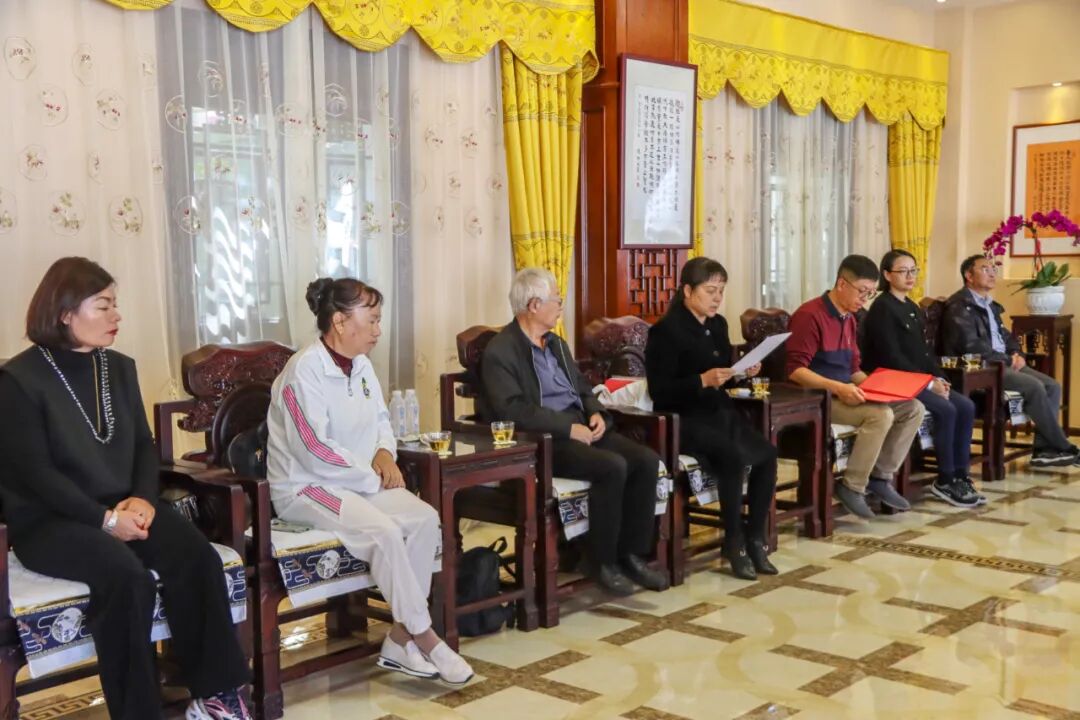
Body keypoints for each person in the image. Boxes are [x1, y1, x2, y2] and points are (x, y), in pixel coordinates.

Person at [0, 257, 251, 720]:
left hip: (123, 505)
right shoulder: (19, 380)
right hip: (51, 521)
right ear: (65, 312)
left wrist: (141, 498)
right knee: (126, 577)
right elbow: (37, 475)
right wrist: (105, 520)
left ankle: (216, 696)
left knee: (196, 556)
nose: (116, 316)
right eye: (103, 306)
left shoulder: (117, 367)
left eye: (114, 304)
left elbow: (141, 444)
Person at [266, 278, 473, 685]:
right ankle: (426, 637)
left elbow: (382, 421)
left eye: (379, 320)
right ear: (340, 321)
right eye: (372, 319)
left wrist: (384, 453)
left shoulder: (361, 365)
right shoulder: (303, 372)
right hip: (306, 488)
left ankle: (399, 639)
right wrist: (372, 473)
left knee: (424, 519)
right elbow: (313, 450)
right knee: (383, 531)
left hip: (358, 481)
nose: (379, 329)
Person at [479, 268, 669, 597]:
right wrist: (568, 428)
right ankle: (600, 560)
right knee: (612, 466)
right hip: (544, 439)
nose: (561, 306)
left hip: (580, 426)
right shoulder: (502, 351)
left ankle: (630, 555)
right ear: (534, 305)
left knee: (646, 460)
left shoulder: (556, 344)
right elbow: (513, 410)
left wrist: (595, 412)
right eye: (557, 300)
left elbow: (582, 388)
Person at [645, 258, 778, 580]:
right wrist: (701, 381)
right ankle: (733, 542)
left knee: (767, 454)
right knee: (732, 457)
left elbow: (724, 377)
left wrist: (741, 372)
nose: (717, 298)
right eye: (710, 290)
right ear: (688, 291)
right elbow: (660, 391)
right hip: (685, 418)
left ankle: (756, 537)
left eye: (721, 290)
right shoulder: (665, 331)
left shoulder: (718, 325)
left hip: (719, 412)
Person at [786, 254, 924, 520]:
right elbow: (796, 371)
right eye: (862, 291)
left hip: (846, 391)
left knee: (912, 407)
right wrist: (839, 389)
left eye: (870, 293)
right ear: (841, 284)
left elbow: (854, 370)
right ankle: (852, 486)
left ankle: (880, 477)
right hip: (817, 398)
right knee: (880, 415)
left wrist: (883, 388)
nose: (865, 299)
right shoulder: (810, 315)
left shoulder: (849, 318)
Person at [861, 250, 985, 507]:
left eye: (913, 270)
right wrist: (928, 383)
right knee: (947, 410)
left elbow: (924, 353)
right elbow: (891, 357)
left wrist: (940, 378)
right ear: (887, 275)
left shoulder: (912, 307)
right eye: (903, 271)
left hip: (918, 379)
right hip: (893, 380)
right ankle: (945, 479)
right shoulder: (882, 308)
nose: (910, 276)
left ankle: (961, 475)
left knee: (965, 405)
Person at [942, 255, 1076, 468]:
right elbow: (971, 346)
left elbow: (1005, 336)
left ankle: (1044, 451)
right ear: (969, 275)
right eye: (985, 269)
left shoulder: (990, 305)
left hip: (1002, 362)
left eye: (993, 269)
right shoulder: (959, 305)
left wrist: (1017, 353)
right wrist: (1006, 358)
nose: (992, 273)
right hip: (981, 368)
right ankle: (1063, 446)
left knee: (1052, 385)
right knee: (1034, 386)